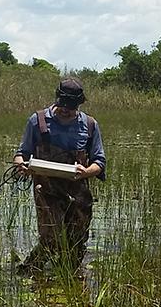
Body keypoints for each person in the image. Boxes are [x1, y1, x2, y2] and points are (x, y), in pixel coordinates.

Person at [13, 77, 106, 273]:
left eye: (70, 107)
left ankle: (70, 276)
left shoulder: (89, 125)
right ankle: (29, 271)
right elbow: (21, 154)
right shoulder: (37, 121)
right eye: (62, 105)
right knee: (51, 237)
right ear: (57, 99)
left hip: (78, 191)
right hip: (46, 190)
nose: (65, 110)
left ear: (79, 104)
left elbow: (99, 162)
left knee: (77, 240)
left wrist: (86, 172)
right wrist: (22, 166)